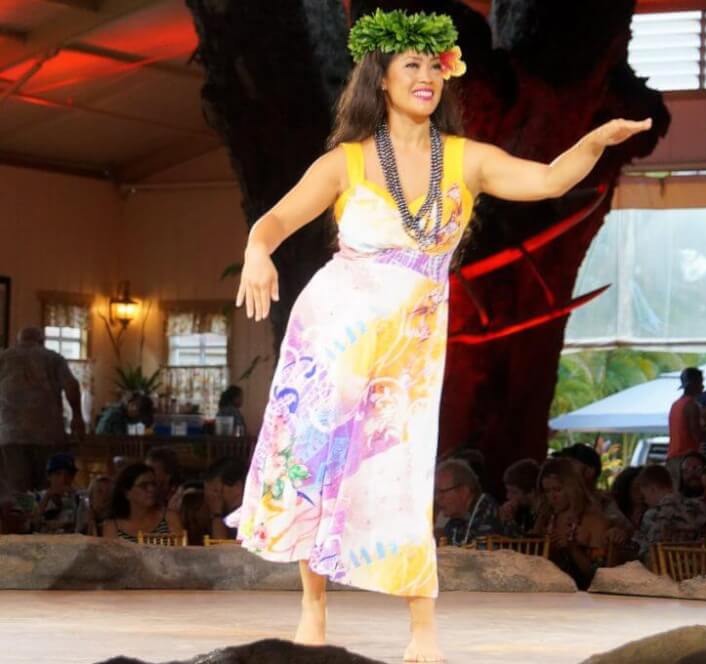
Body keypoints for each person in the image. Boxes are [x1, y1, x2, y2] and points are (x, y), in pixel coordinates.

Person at [225, 9, 651, 659]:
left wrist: (597, 141)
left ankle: (422, 629)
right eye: (411, 66)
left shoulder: (467, 159)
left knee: (402, 474)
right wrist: (258, 253)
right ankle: (312, 609)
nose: (425, 77)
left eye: (433, 67)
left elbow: (547, 180)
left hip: (411, 346)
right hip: (333, 332)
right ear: (382, 80)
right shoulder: (347, 162)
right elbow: (274, 221)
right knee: (318, 467)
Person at [0, 326, 85, 492]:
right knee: (47, 488)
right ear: (41, 341)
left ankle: (24, 516)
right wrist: (77, 416)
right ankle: (42, 515)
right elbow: (72, 386)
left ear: (18, 341)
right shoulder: (53, 358)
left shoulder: (3, 358)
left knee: (17, 491)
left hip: (10, 435)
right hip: (48, 435)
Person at [532, 457, 610, 590]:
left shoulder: (593, 521)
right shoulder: (546, 518)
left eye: (557, 490)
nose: (552, 497)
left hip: (582, 596)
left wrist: (573, 549)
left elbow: (599, 576)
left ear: (573, 488)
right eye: (547, 491)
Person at [632, 464, 706, 564]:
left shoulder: (653, 515)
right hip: (701, 571)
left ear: (652, 489)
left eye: (644, 496)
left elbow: (648, 552)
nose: (645, 501)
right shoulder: (701, 507)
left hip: (665, 574)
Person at [102, 463, 183, 543]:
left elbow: (182, 553)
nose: (151, 489)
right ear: (127, 493)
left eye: (153, 484)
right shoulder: (113, 526)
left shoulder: (169, 518)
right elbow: (111, 555)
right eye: (143, 485)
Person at [434, 459, 503, 546]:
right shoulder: (456, 519)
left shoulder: (486, 510)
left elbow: (482, 556)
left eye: (442, 492)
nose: (437, 498)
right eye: (436, 492)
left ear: (464, 491)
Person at [32, 452, 83, 534]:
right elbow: (31, 525)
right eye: (57, 474)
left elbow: (82, 529)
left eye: (68, 475)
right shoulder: (37, 497)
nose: (63, 479)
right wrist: (47, 497)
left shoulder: (78, 500)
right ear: (49, 476)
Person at [203, 457, 246, 540]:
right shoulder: (224, 513)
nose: (213, 497)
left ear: (237, 487)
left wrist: (217, 514)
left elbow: (222, 548)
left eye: (217, 491)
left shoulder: (246, 516)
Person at [498, 458, 541, 536]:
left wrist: (509, 521)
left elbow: (528, 543)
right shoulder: (523, 511)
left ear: (531, 492)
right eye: (508, 491)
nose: (508, 496)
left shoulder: (543, 516)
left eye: (514, 492)